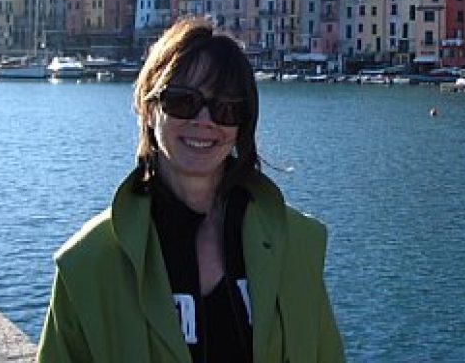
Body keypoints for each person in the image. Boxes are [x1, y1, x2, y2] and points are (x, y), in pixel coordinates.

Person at [37, 18, 344, 362]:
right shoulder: (87, 264)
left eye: (226, 108)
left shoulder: (298, 245)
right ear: (149, 109)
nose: (204, 121)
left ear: (241, 124)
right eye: (182, 101)